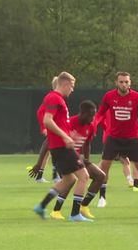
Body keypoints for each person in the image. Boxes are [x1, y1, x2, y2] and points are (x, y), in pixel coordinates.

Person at [33, 72, 93, 222]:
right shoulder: (54, 97)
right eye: (72, 86)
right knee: (84, 176)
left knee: (68, 179)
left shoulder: (58, 99)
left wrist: (68, 134)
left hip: (59, 145)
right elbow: (48, 120)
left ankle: (41, 206)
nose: (72, 90)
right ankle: (75, 214)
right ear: (65, 84)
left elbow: (56, 123)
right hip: (61, 146)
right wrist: (65, 136)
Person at [95, 72, 138, 208]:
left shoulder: (137, 97)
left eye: (126, 82)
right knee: (105, 165)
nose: (124, 84)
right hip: (114, 137)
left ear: (130, 83)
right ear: (116, 82)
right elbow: (100, 113)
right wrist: (95, 124)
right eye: (121, 82)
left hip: (132, 138)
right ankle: (102, 197)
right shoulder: (109, 96)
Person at [49, 100, 105, 220]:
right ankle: (56, 211)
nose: (93, 118)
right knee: (70, 181)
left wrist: (86, 159)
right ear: (83, 113)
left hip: (79, 158)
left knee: (100, 176)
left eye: (94, 115)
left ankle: (83, 207)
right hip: (65, 157)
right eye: (90, 115)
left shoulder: (91, 126)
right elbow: (54, 140)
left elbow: (87, 144)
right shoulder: (69, 122)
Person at [27, 76, 60, 183]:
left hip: (52, 128)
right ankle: (55, 175)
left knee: (49, 152)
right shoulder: (52, 98)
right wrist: (44, 127)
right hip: (49, 128)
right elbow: (40, 112)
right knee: (53, 150)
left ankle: (41, 176)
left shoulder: (56, 97)